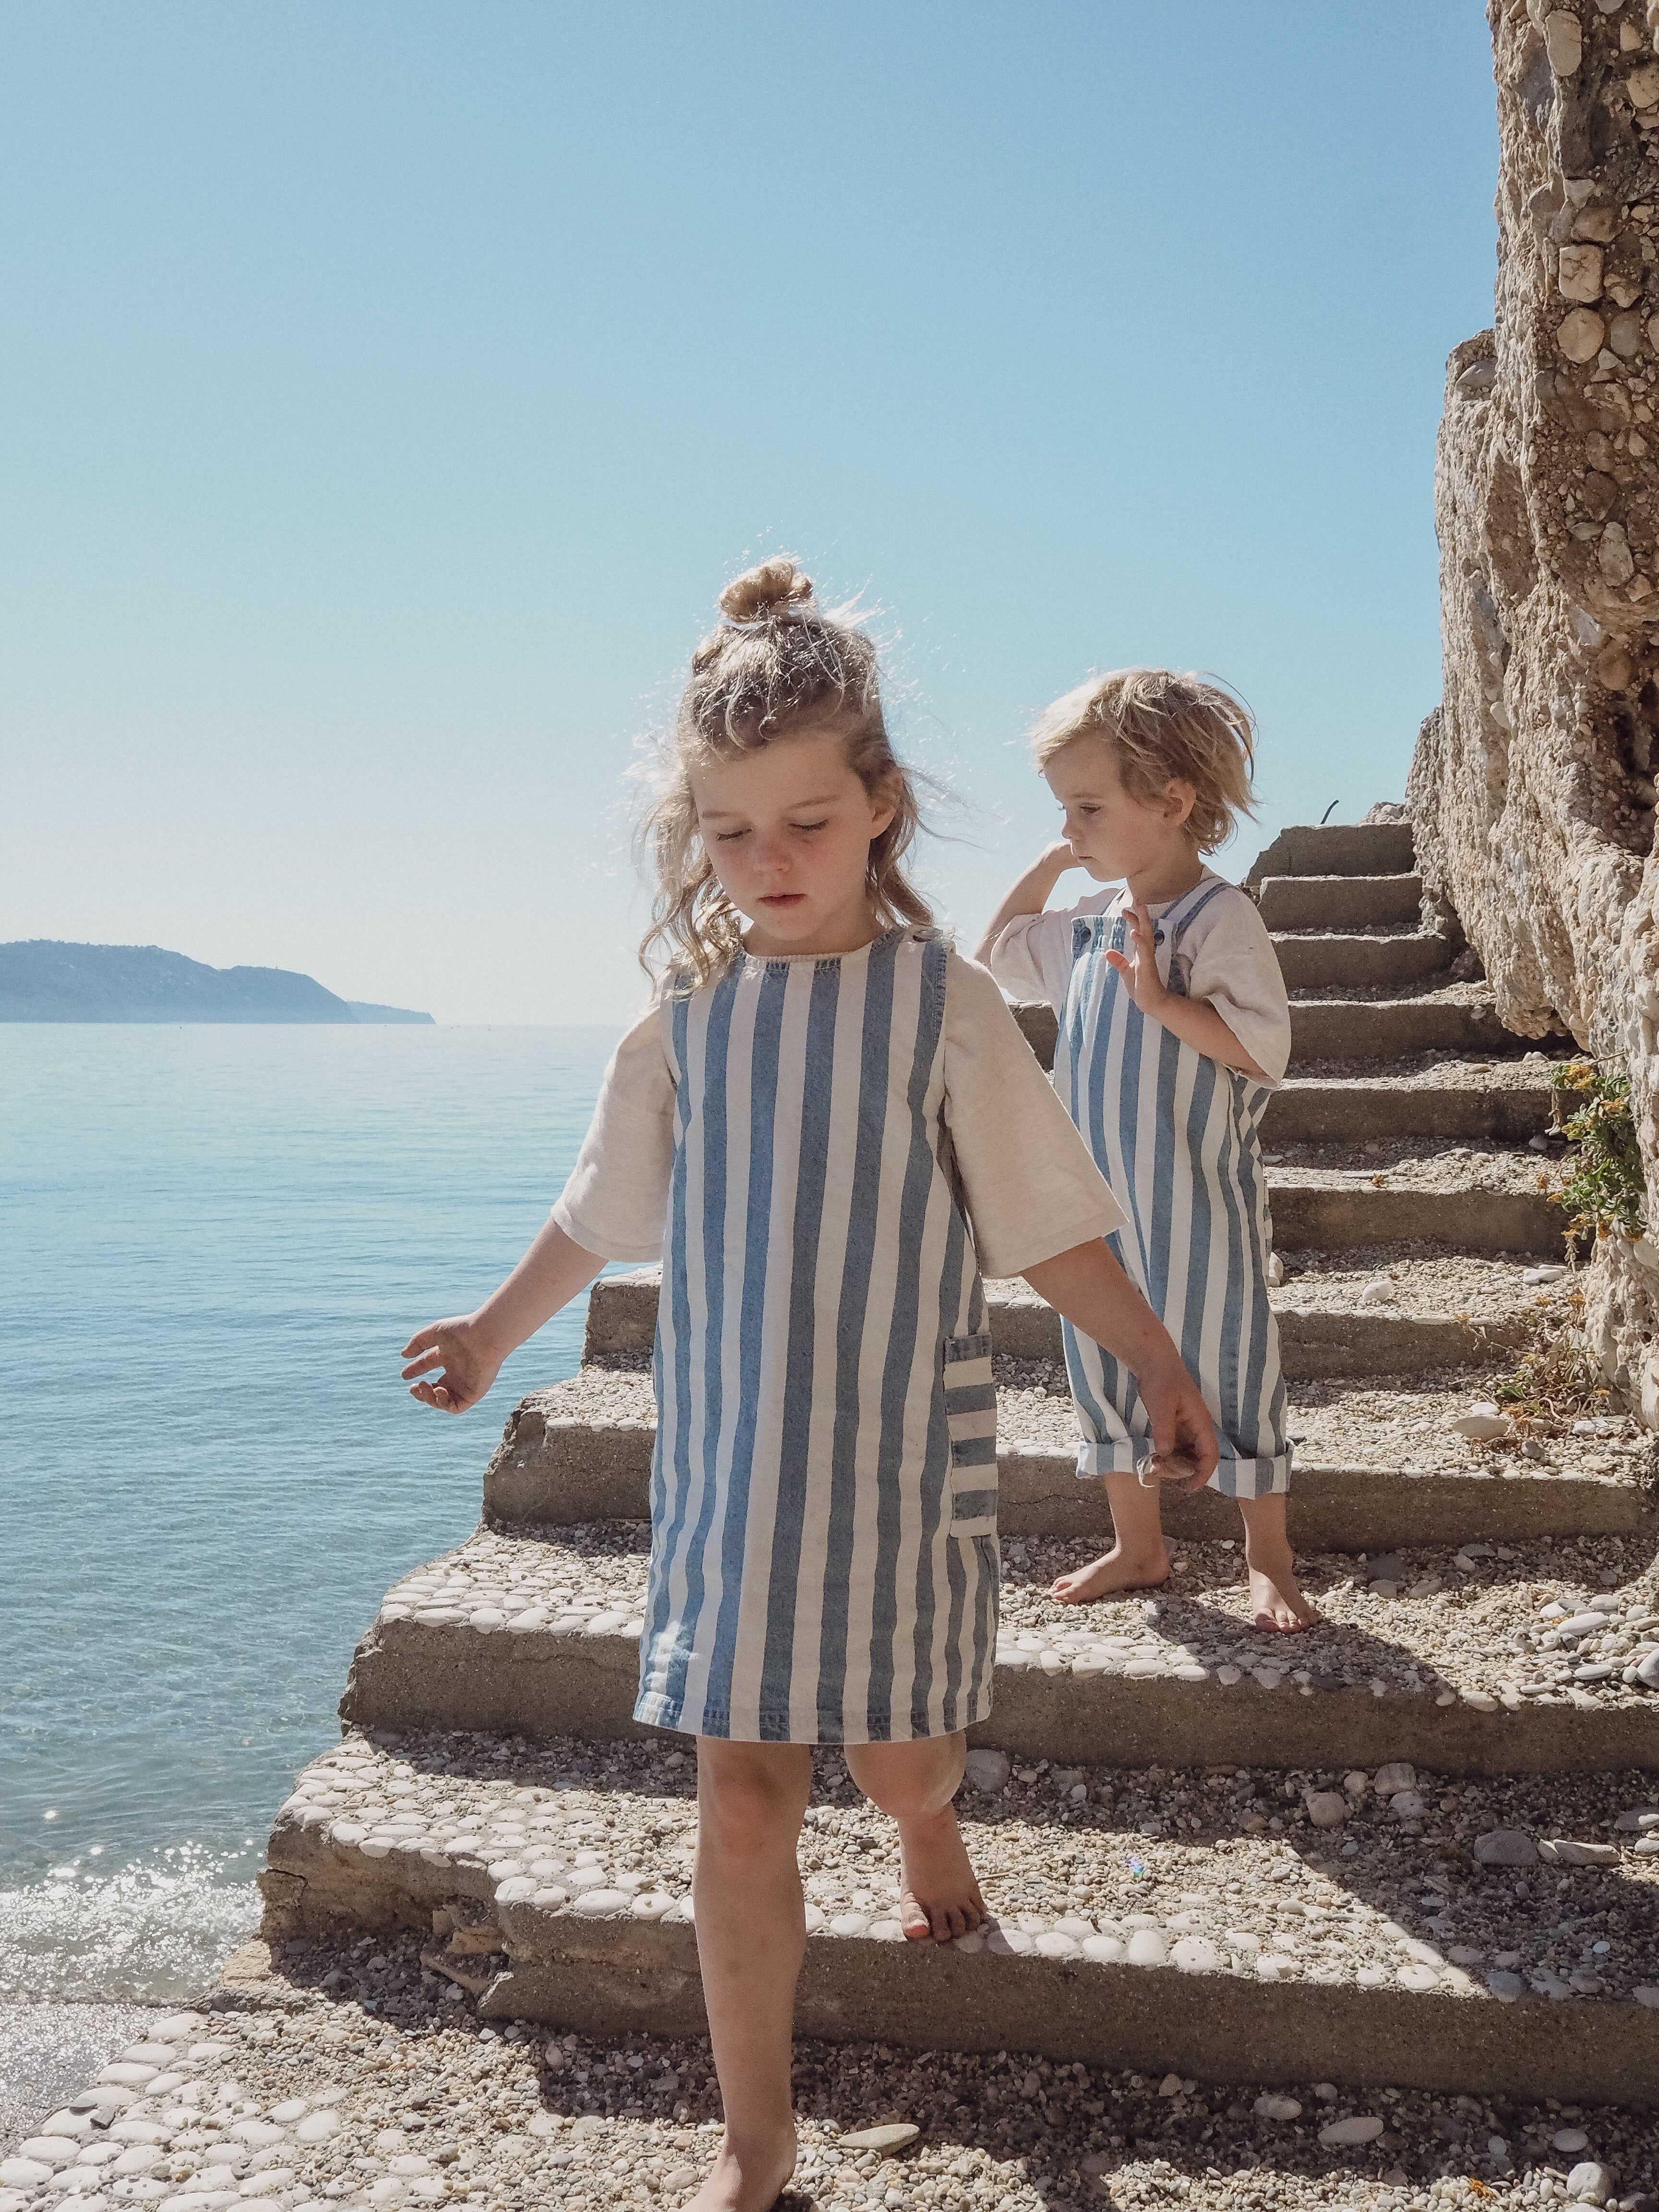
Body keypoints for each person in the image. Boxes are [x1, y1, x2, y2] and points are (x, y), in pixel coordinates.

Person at [399, 564, 1218, 2212]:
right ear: (690, 835)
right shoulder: (683, 1022)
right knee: (742, 1789)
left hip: (903, 1472)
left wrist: (1154, 1356)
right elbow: (596, 1213)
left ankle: (926, 1826)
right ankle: (752, 2136)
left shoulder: (946, 1006)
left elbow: (1048, 1228)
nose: (766, 862)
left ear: (880, 809)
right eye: (728, 833)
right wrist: (491, 1333)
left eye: (805, 822)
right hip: (729, 1482)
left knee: (899, 1758)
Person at [976, 666, 1315, 1634]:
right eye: (1062, 810)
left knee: (1233, 1366)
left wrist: (1164, 1003)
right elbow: (996, 953)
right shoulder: (1084, 925)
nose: (1072, 827)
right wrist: (1055, 859)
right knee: (1106, 1367)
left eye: (1087, 807)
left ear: (1172, 802)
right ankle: (1141, 1545)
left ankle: (1271, 1560)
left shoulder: (1220, 919)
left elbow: (1263, 1050)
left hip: (1198, 1205)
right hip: (1094, 1210)